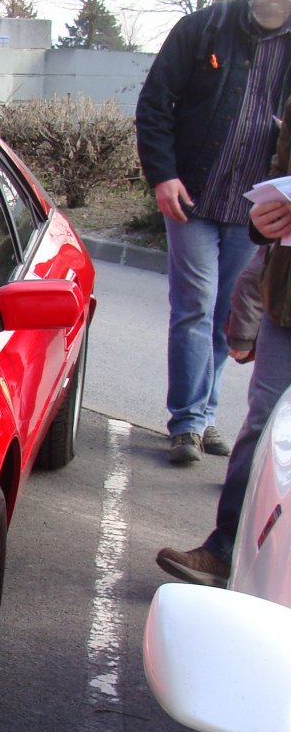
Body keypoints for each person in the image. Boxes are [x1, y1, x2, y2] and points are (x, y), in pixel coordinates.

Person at [135, 0, 291, 466]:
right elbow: (155, 102)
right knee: (194, 308)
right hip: (194, 198)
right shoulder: (206, 27)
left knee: (229, 316)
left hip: (257, 213)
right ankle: (186, 423)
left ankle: (204, 413)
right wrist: (163, 176)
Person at [157, 176, 291, 587]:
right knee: (265, 429)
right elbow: (275, 188)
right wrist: (261, 223)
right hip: (286, 307)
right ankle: (225, 551)